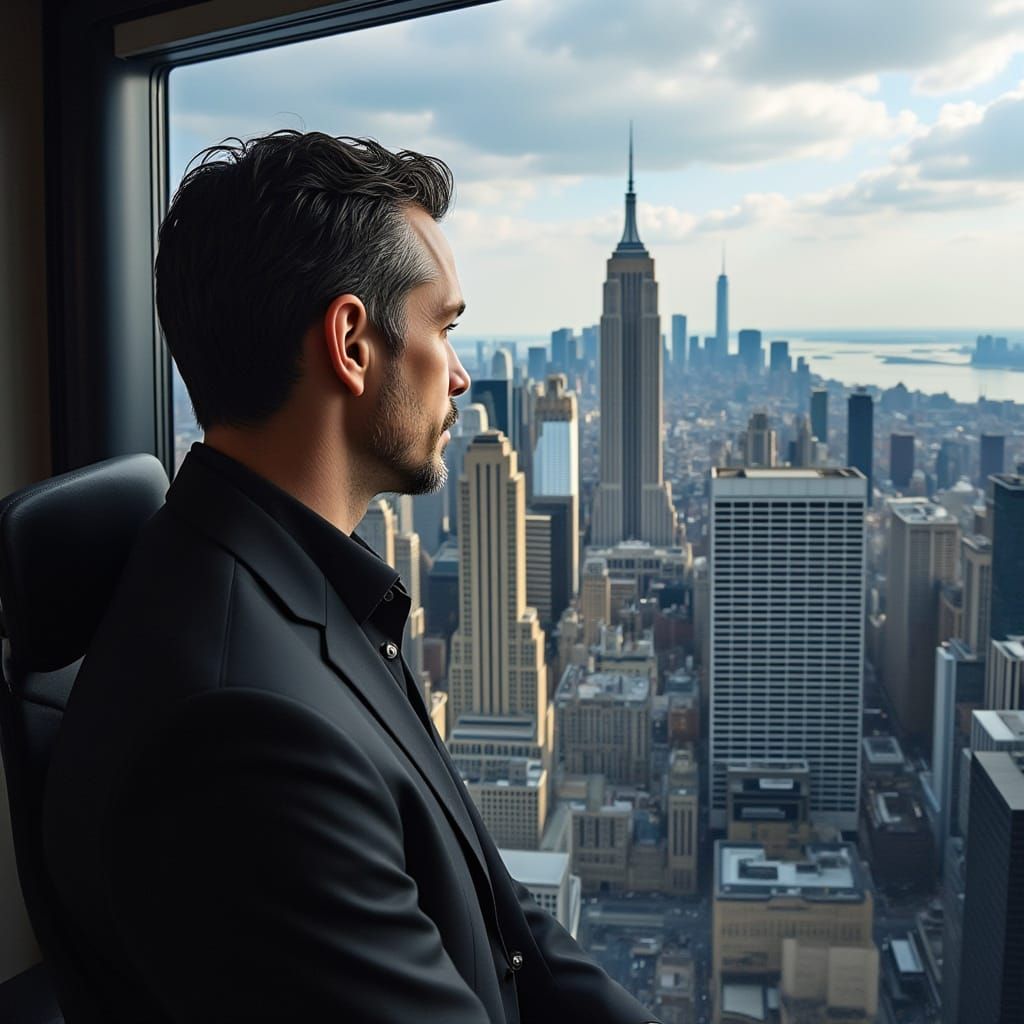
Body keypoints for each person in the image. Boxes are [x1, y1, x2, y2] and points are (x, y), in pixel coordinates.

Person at [43, 131, 660, 1023]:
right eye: (444, 327)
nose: (459, 376)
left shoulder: (293, 581)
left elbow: (502, 922)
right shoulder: (242, 741)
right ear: (351, 343)